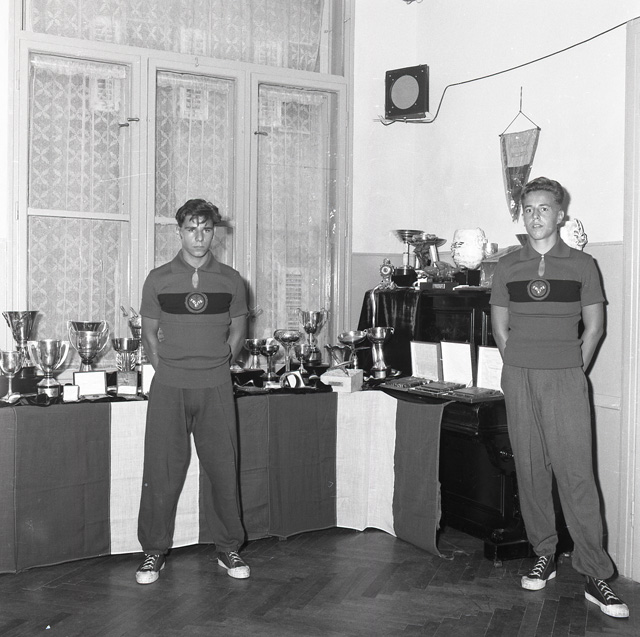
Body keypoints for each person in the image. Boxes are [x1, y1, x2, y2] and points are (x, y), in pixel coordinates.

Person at [490, 177, 629, 618]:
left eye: (544, 208)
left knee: (576, 474)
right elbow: (499, 327)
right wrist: (519, 364)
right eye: (528, 209)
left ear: (560, 213)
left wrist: (571, 369)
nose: (535, 216)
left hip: (565, 379)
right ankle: (544, 553)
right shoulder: (507, 266)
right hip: (519, 377)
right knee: (531, 469)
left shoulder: (583, 264)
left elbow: (595, 327)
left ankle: (595, 575)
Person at [135, 198, 250, 584]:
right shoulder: (158, 279)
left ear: (214, 232)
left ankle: (228, 548)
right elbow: (149, 334)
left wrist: (219, 365)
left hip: (215, 385)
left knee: (222, 467)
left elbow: (238, 330)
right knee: (161, 469)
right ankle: (153, 551)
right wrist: (168, 369)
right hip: (170, 386)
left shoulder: (231, 280)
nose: (199, 237)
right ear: (179, 231)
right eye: (191, 229)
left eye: (206, 229)